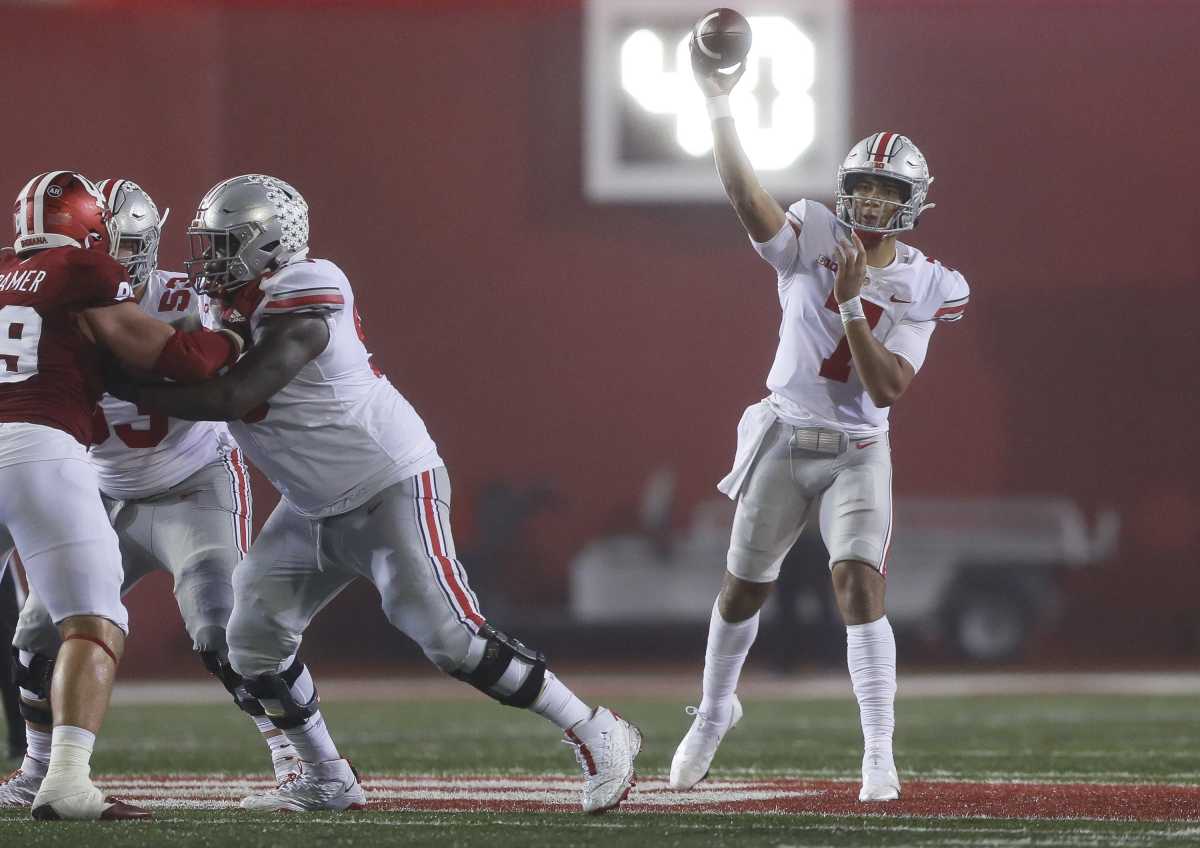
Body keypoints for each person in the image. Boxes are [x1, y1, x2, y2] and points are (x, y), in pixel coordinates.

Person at [116, 174, 642, 814]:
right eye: (209, 243)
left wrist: (126, 386)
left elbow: (234, 395)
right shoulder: (218, 304)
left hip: (388, 484)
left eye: (226, 244)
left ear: (273, 244)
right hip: (310, 503)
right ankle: (326, 777)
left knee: (451, 639)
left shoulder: (309, 288)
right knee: (249, 640)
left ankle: (596, 729)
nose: (211, 258)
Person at [669, 47, 970, 802]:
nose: (868, 202)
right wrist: (718, 105)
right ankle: (712, 712)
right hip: (783, 432)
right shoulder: (809, 230)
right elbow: (746, 197)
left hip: (857, 452)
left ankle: (877, 749)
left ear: (913, 199)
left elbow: (886, 387)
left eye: (885, 189)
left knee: (855, 581)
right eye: (861, 187)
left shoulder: (930, 283)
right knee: (742, 588)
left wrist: (847, 304)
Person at [0, 179, 298, 811]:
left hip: (189, 482)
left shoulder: (185, 292)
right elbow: (188, 360)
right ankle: (43, 772)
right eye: (111, 241)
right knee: (51, 631)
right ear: (90, 235)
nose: (121, 257)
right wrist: (238, 340)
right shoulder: (84, 277)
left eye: (131, 244)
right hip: (87, 482)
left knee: (222, 627)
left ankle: (301, 760)